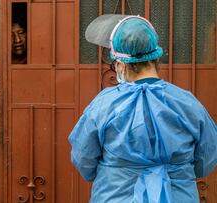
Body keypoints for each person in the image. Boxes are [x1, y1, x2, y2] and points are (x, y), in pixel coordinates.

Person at [69, 14, 217, 203]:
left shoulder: (102, 105)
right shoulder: (187, 102)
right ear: (156, 59)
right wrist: (177, 171)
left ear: (121, 65)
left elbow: (84, 159)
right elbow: (207, 159)